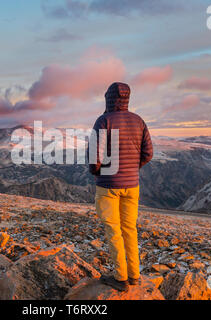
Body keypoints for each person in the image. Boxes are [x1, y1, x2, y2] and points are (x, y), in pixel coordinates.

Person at [89, 82, 153, 291]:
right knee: (130, 230)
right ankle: (134, 275)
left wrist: (100, 172)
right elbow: (148, 154)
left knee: (114, 232)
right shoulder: (139, 121)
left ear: (108, 98)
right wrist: (132, 169)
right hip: (132, 185)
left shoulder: (103, 120)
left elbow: (94, 159)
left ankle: (120, 278)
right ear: (127, 99)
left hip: (108, 186)